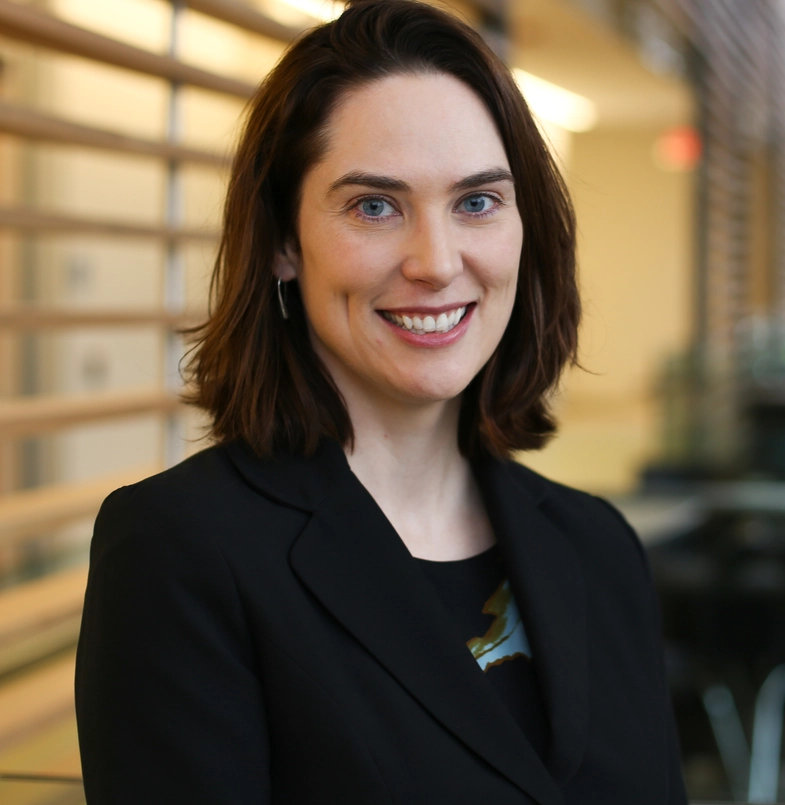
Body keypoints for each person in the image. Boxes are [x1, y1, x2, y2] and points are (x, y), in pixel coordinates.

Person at [74, 1, 688, 803]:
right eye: (373, 205)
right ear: (283, 244)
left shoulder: (598, 545)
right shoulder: (182, 553)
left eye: (476, 201)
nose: (436, 262)